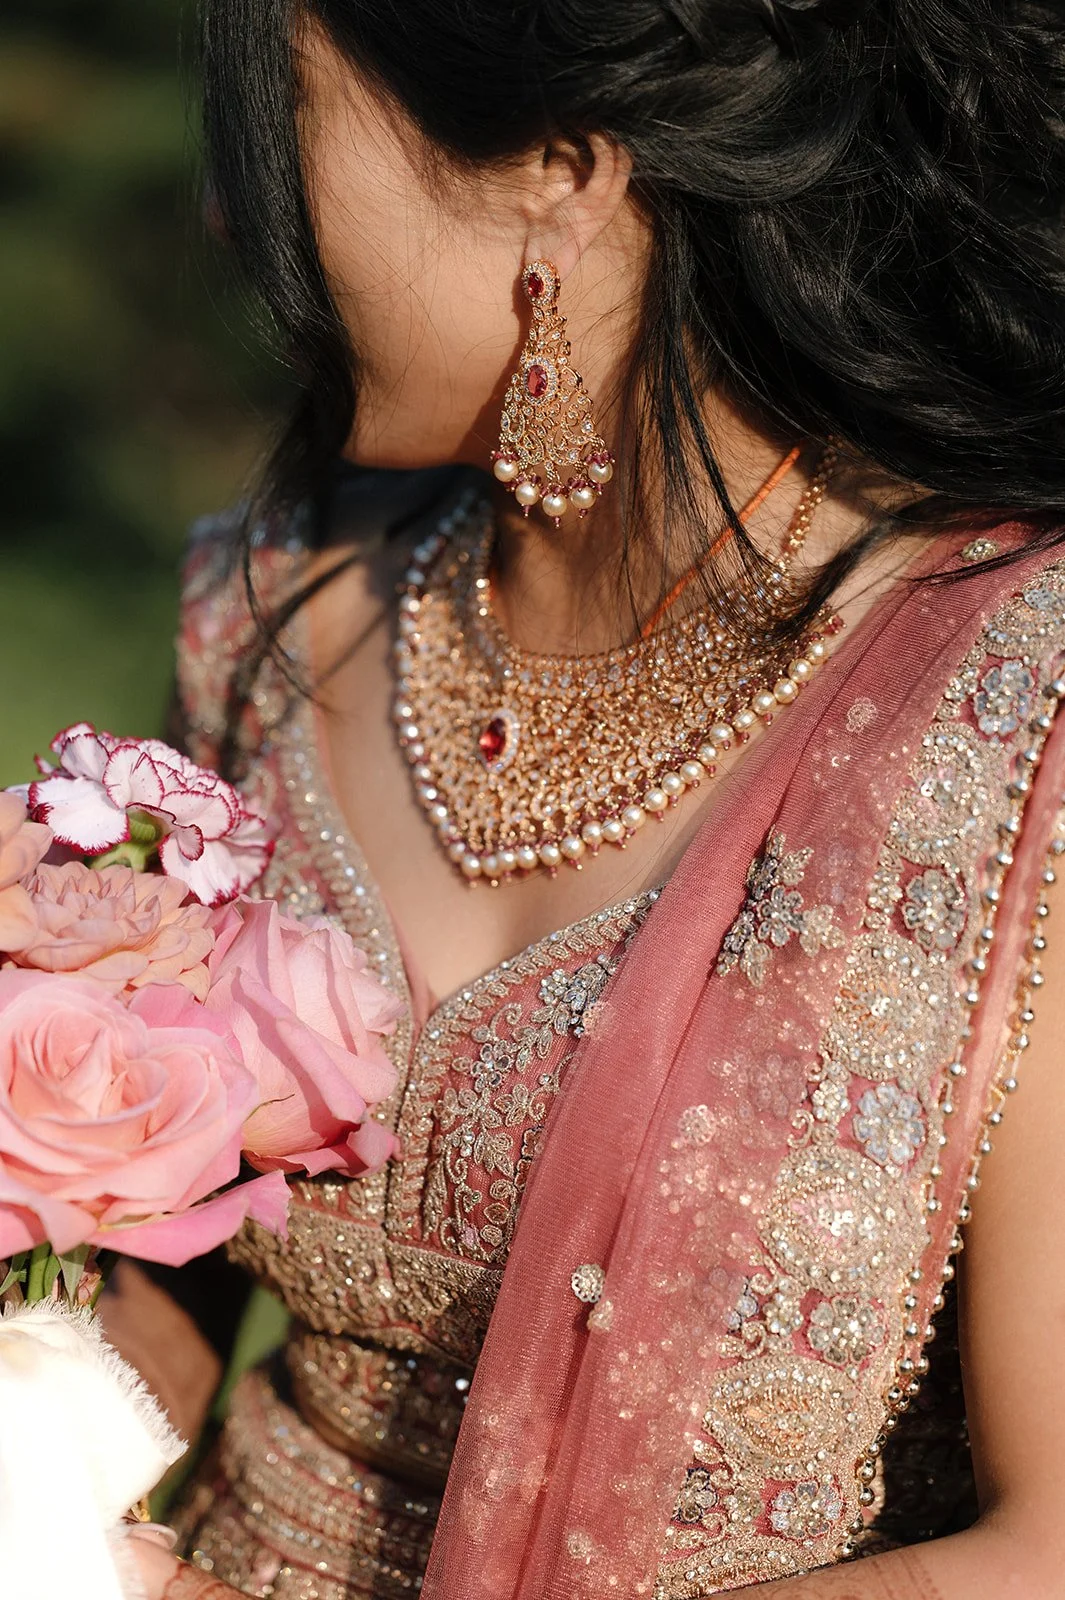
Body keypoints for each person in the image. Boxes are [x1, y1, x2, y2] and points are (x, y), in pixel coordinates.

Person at [118, 1, 1065, 1595]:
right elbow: (165, 1274)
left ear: (560, 170)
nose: (231, 205)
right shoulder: (271, 609)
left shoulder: (1009, 710)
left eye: (284, 131)